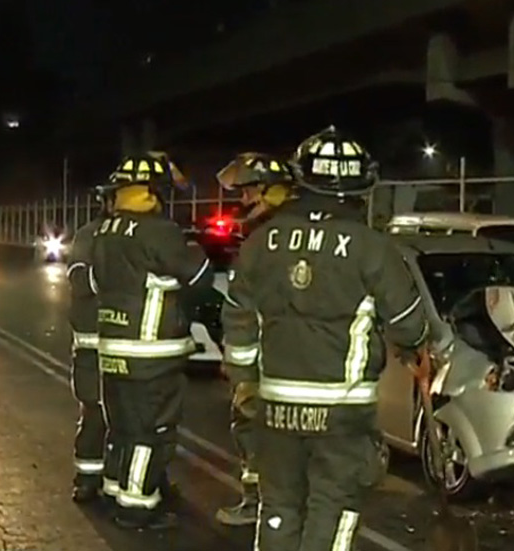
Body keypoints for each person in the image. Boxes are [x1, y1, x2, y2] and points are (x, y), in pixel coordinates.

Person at [222, 126, 430, 551]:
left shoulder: (261, 242)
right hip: (341, 412)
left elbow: (238, 316)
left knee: (278, 507)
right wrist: (417, 348)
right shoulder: (372, 248)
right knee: (331, 508)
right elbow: (409, 323)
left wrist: (244, 379)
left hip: (276, 406)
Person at [91, 151, 214, 529]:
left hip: (113, 347)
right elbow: (199, 278)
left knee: (123, 428)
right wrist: (195, 246)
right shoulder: (160, 232)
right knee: (151, 432)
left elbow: (95, 283)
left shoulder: (104, 231)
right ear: (155, 192)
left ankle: (114, 490)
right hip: (152, 352)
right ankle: (137, 507)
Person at [213, 152, 296, 526]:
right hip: (302, 360)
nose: (244, 200)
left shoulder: (265, 239)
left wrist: (239, 367)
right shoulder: (294, 230)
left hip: (268, 360)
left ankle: (259, 504)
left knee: (253, 427)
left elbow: (244, 308)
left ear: (269, 191)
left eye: (248, 191)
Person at [65, 186, 113, 503]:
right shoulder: (88, 235)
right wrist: (118, 273)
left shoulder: (140, 235)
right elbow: (77, 277)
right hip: (92, 345)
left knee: (132, 421)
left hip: (129, 345)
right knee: (95, 413)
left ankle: (127, 481)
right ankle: (87, 478)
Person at [216, 152, 296, 234]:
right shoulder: (286, 217)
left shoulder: (280, 224)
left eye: (246, 191)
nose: (243, 200)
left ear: (262, 187)